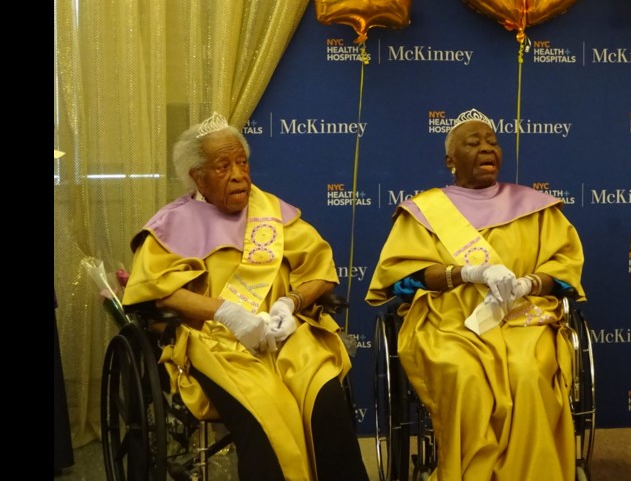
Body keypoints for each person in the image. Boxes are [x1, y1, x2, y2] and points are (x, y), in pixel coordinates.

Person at [121, 113, 368, 481]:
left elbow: (320, 271)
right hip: (217, 342)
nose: (239, 174)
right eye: (223, 166)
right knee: (265, 415)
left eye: (242, 162)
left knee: (326, 402)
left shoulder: (272, 212)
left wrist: (292, 303)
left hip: (286, 336)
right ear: (197, 176)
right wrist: (227, 314)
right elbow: (159, 292)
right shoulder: (172, 223)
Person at [366, 108, 586, 480]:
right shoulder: (424, 211)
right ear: (451, 160)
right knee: (465, 376)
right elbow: (403, 279)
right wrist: (467, 272)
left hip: (521, 318)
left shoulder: (534, 207)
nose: (487, 149)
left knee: (529, 373)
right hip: (451, 322)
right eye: (474, 143)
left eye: (492, 142)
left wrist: (530, 284)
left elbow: (563, 272)